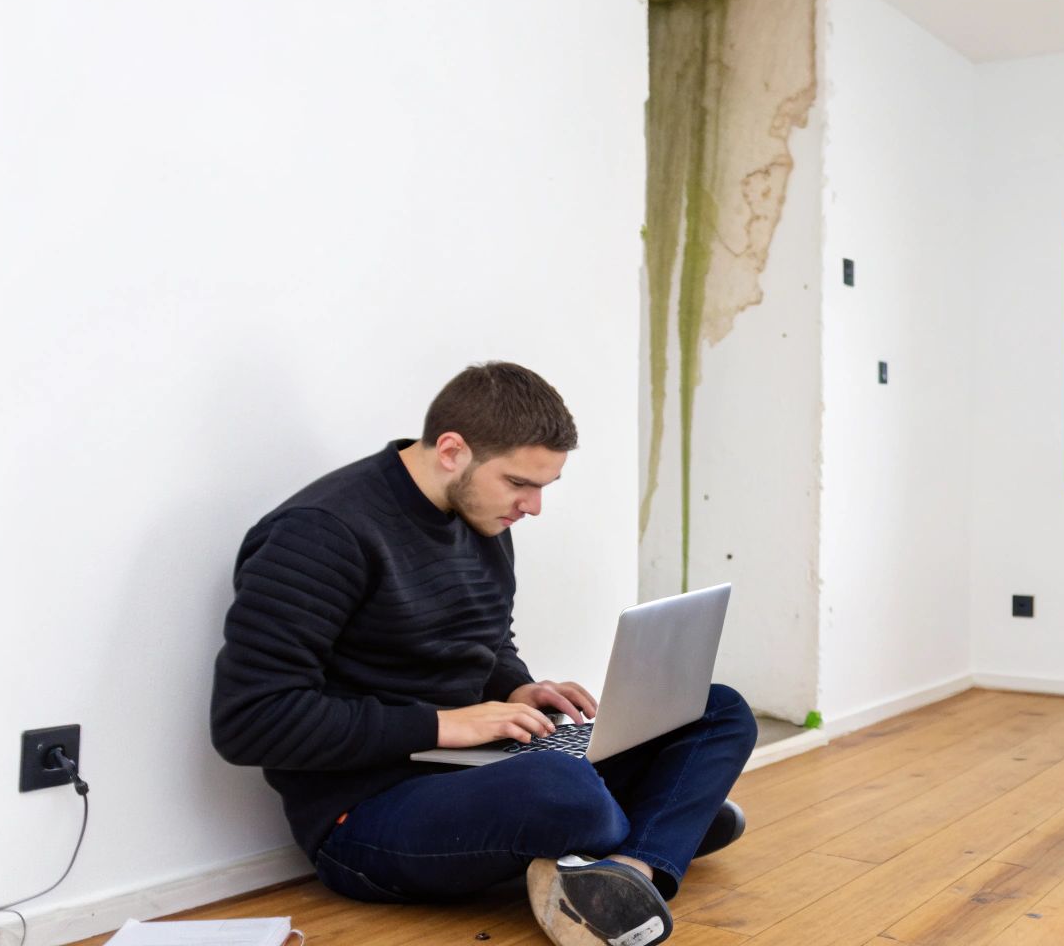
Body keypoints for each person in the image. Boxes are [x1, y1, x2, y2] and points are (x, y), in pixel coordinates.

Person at [210, 361, 755, 946]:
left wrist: (518, 687)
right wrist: (443, 724)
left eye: (544, 486)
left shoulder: (478, 513)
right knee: (564, 793)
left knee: (718, 708)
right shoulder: (319, 534)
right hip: (365, 814)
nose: (533, 506)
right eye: (520, 483)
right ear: (451, 450)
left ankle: (632, 866)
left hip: (479, 768)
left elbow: (487, 639)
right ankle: (660, 824)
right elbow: (251, 722)